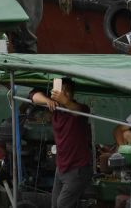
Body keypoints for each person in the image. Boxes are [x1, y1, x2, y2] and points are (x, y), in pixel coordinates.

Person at [30, 78, 93, 208]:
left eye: (65, 91)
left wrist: (65, 100)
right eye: (58, 90)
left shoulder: (80, 109)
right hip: (61, 168)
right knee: (55, 205)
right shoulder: (55, 108)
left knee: (62, 205)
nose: (60, 93)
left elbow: (78, 110)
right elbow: (33, 95)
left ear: (70, 94)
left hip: (78, 169)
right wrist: (48, 100)